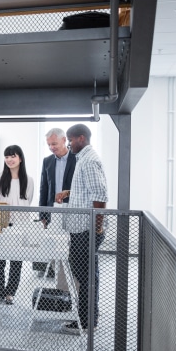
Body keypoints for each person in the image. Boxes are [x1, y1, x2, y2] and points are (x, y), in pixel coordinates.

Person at [55, 124, 108, 334]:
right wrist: (69, 192)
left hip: (87, 230)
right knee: (84, 274)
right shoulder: (83, 159)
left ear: (82, 138)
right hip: (81, 229)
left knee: (85, 276)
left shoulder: (90, 160)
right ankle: (90, 316)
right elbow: (88, 190)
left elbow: (100, 196)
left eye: (71, 139)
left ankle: (87, 321)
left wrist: (96, 230)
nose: (68, 143)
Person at [0, 145, 34, 305]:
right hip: (0, 224)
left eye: (13, 156)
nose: (9, 160)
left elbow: (28, 202)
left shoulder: (29, 180)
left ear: (20, 158)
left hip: (19, 227)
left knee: (16, 261)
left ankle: (10, 292)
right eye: (6, 157)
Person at [37, 128, 77, 276]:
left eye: (54, 143)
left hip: (73, 210)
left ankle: (73, 280)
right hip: (53, 211)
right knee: (55, 248)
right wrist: (43, 214)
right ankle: (60, 283)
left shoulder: (77, 158)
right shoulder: (47, 161)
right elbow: (44, 189)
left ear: (64, 140)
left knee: (73, 248)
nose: (51, 147)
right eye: (48, 144)